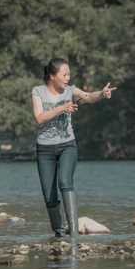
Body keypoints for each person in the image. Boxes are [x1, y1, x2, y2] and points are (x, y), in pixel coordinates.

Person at [32, 58, 116, 238]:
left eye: (69, 74)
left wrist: (101, 94)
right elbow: (39, 118)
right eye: (64, 74)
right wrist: (62, 108)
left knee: (65, 182)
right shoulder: (38, 91)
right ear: (53, 76)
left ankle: (74, 234)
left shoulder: (70, 91)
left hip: (67, 146)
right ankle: (59, 233)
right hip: (45, 150)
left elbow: (88, 96)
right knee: (49, 194)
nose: (68, 77)